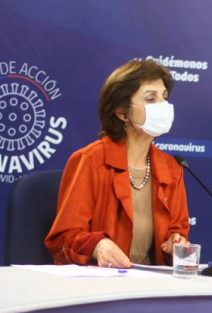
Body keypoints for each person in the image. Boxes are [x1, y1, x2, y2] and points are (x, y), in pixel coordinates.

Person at [45, 59, 189, 268]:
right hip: (100, 283)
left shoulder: (171, 168)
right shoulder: (90, 161)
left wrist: (175, 244)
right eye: (151, 98)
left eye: (164, 97)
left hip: (151, 283)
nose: (163, 106)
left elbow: (177, 233)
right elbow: (63, 238)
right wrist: (96, 245)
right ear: (122, 113)